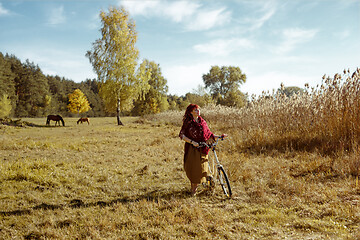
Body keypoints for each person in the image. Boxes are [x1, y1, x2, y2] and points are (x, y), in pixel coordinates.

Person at [179, 104, 227, 196]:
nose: (198, 111)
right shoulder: (188, 123)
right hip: (193, 149)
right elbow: (182, 135)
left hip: (203, 148)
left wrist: (220, 136)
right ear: (191, 112)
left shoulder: (203, 122)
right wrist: (192, 142)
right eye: (195, 110)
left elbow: (209, 134)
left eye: (198, 109)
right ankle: (193, 192)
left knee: (202, 169)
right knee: (195, 171)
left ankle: (206, 186)